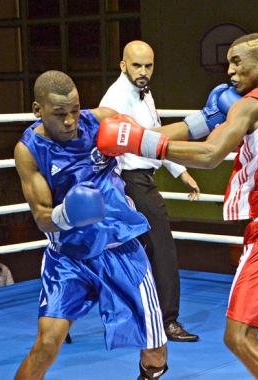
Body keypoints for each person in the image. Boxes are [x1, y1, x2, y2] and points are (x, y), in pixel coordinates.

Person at [97, 33, 258, 380]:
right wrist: (148, 134)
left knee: (238, 336)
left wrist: (137, 141)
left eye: (236, 62)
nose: (229, 70)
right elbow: (189, 129)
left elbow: (211, 154)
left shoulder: (250, 105)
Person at [13, 70, 167, 380]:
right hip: (69, 256)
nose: (70, 121)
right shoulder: (29, 150)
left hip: (120, 250)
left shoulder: (102, 122)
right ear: (37, 110)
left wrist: (203, 123)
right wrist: (68, 214)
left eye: (74, 110)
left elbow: (155, 140)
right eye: (59, 114)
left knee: (155, 353)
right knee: (47, 343)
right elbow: (42, 215)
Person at [99, 40, 199, 342]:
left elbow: (156, 136)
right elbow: (108, 137)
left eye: (148, 66)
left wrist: (180, 171)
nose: (143, 72)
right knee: (162, 248)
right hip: (129, 180)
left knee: (129, 251)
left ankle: (71, 313)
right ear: (123, 65)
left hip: (140, 177)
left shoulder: (144, 92)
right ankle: (168, 321)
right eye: (137, 65)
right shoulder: (115, 98)